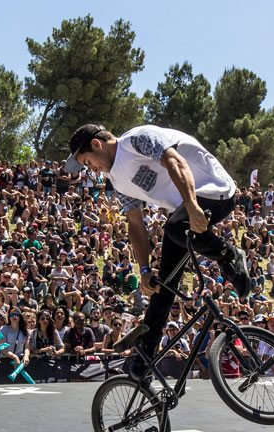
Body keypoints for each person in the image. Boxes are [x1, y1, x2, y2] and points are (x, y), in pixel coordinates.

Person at [64, 124, 249, 369]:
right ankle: (145, 359)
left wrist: (192, 206)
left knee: (174, 228)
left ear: (97, 145)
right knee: (164, 286)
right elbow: (135, 223)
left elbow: (175, 162)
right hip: (183, 210)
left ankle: (229, 254)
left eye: (88, 162)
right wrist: (144, 270)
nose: (92, 170)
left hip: (214, 190)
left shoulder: (137, 141)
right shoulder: (116, 180)